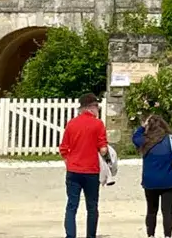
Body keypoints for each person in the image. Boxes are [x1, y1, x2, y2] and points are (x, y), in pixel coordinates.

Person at [59, 93, 107, 238]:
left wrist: (69, 162)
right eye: (97, 106)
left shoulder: (71, 124)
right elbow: (103, 150)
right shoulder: (98, 124)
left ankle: (70, 235)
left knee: (72, 205)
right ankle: (90, 236)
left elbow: (63, 149)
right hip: (91, 170)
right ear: (91, 107)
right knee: (92, 206)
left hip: (73, 170)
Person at [132, 113, 172, 237]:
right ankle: (168, 235)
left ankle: (151, 235)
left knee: (151, 211)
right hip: (169, 181)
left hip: (150, 182)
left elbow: (135, 138)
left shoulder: (145, 141)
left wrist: (142, 127)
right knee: (167, 211)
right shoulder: (171, 140)